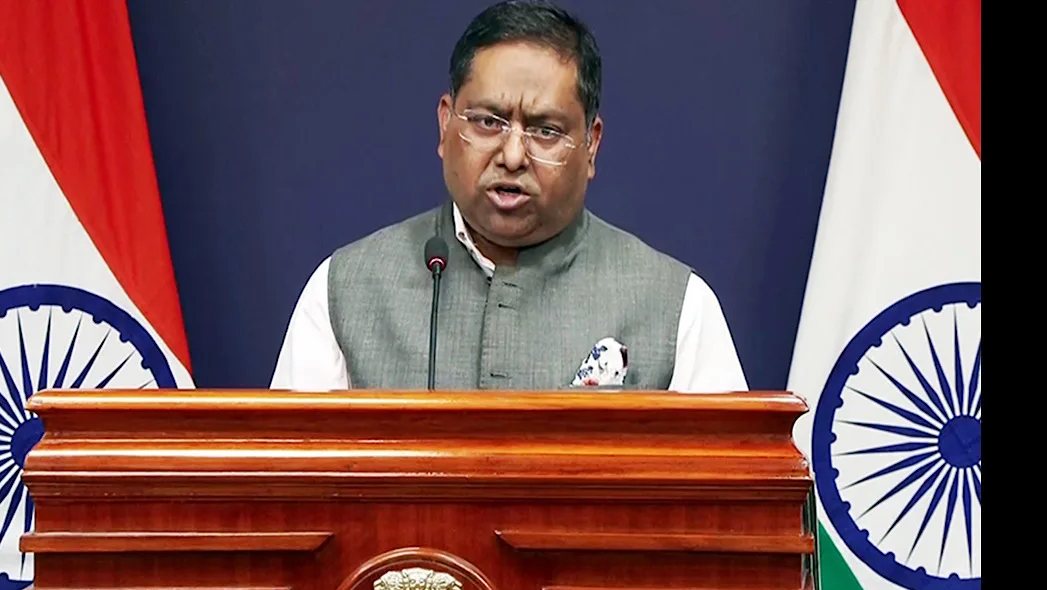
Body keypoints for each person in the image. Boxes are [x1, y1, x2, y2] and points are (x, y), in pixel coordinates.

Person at [270, 0, 747, 393]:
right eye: (487, 122)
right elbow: (287, 475)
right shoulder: (344, 290)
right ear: (445, 125)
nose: (513, 155)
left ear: (591, 145)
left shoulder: (679, 307)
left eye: (545, 130)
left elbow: (732, 479)